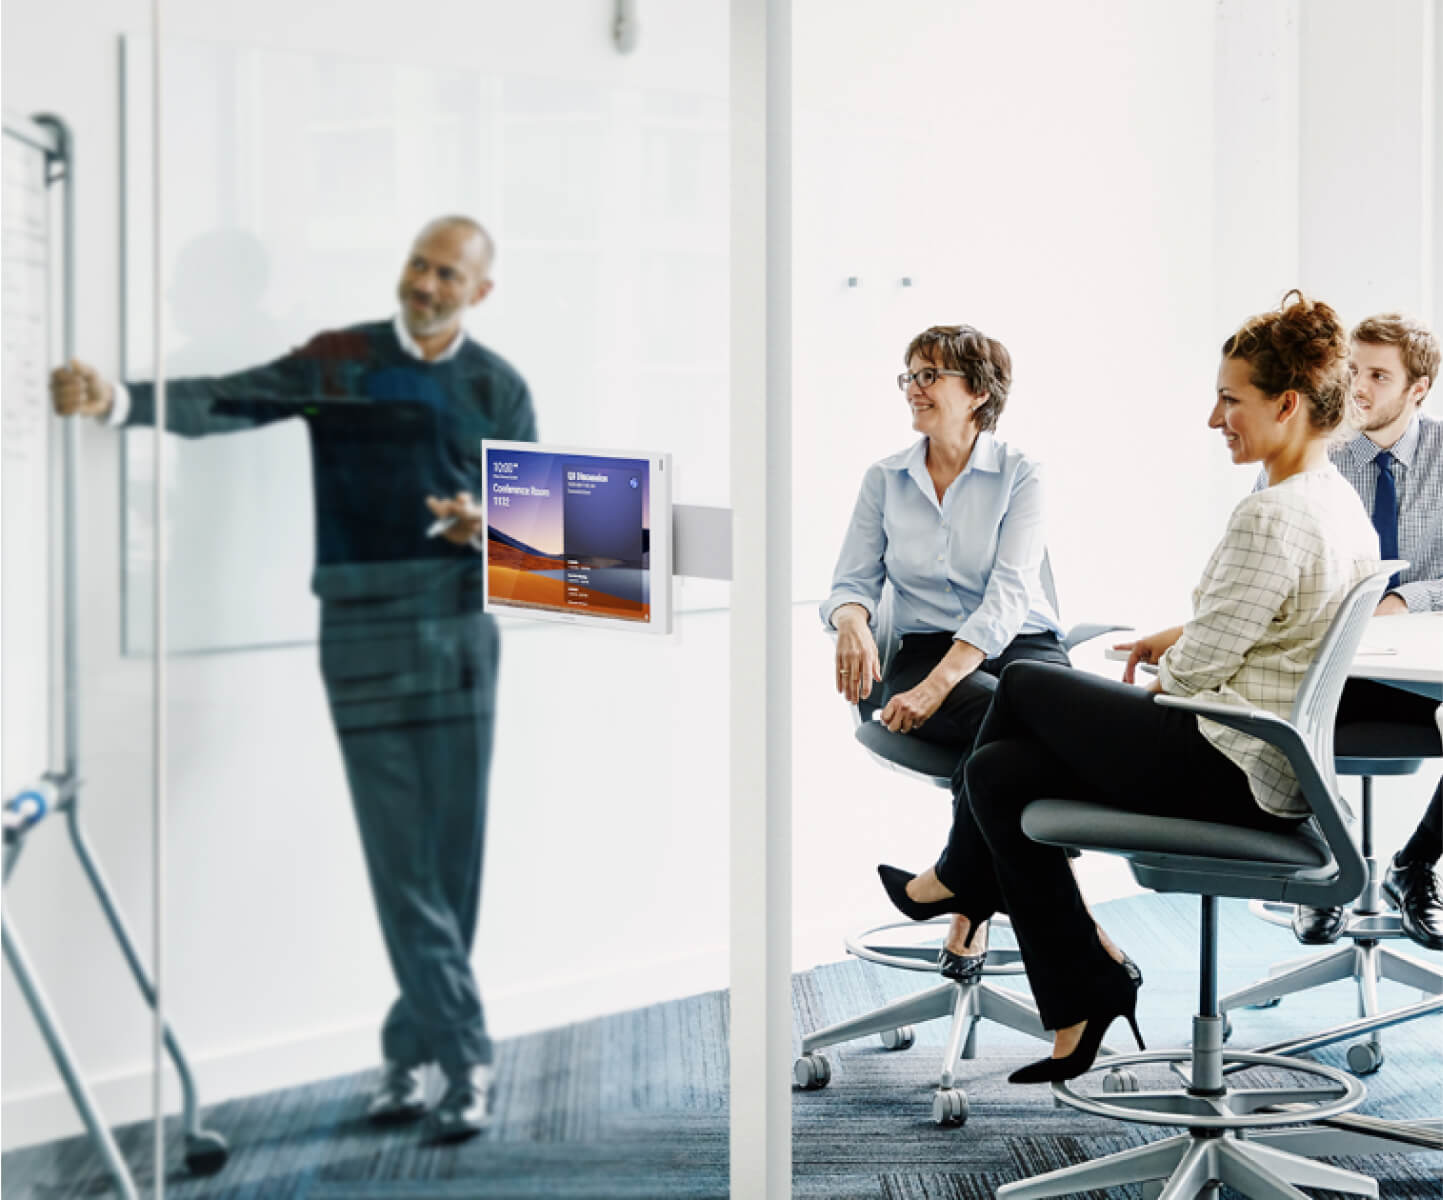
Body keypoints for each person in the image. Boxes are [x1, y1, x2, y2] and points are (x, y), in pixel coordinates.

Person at [50, 215, 534, 1143]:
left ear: (479, 292)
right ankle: (465, 1054)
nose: (425, 283)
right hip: (359, 627)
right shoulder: (339, 357)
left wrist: (491, 525)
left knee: (451, 854)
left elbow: (534, 526)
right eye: (417, 264)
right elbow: (225, 398)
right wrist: (118, 399)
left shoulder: (499, 386)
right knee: (399, 856)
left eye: (446, 273)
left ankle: (407, 1047)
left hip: (461, 631)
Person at [878, 291, 1380, 1083]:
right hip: (1274, 764)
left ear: (1286, 404)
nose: (1215, 418)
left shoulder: (1270, 516)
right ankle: (1083, 993)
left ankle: (958, 876)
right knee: (994, 773)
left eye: (1229, 398)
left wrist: (1169, 656)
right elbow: (1276, 625)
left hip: (1229, 762)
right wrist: (1183, 636)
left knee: (1031, 685)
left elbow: (1190, 675)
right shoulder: (1336, 501)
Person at [822, 323, 1075, 981]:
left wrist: (936, 688)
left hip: (1022, 646)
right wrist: (850, 622)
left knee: (1006, 718)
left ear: (979, 393)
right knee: (1022, 737)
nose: (914, 388)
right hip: (924, 647)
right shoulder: (884, 479)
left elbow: (1009, 594)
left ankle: (958, 887)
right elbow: (850, 584)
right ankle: (1064, 926)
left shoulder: (1021, 474)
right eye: (908, 375)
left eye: (929, 375)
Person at [1288, 313, 1443, 950]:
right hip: (1328, 666)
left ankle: (1416, 865)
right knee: (1264, 706)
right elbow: (1280, 568)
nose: (1359, 388)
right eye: (1353, 370)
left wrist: (1403, 600)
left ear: (1419, 388)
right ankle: (1326, 864)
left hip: (1421, 671)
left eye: (1379, 375)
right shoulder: (1310, 455)